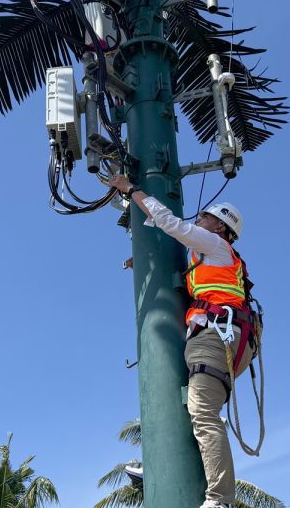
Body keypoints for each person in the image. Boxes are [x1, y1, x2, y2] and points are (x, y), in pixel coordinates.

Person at [110, 174, 255, 508]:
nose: (198, 219)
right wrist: (146, 261)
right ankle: (164, 463)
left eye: (205, 216)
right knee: (190, 407)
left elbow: (169, 222)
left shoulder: (217, 246)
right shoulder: (210, 260)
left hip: (217, 336)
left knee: (203, 414)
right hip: (218, 336)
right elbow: (188, 277)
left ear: (220, 227)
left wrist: (131, 189)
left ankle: (219, 500)